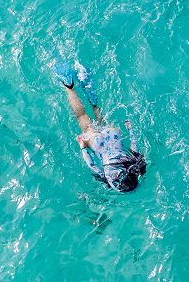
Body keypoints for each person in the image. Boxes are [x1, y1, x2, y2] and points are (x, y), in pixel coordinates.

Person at [54, 61, 146, 192]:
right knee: (81, 115)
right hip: (97, 144)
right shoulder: (111, 179)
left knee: (99, 115)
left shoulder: (133, 166)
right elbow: (92, 165)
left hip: (113, 136)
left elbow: (134, 146)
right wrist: (83, 147)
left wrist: (130, 129)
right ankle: (69, 85)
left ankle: (90, 92)